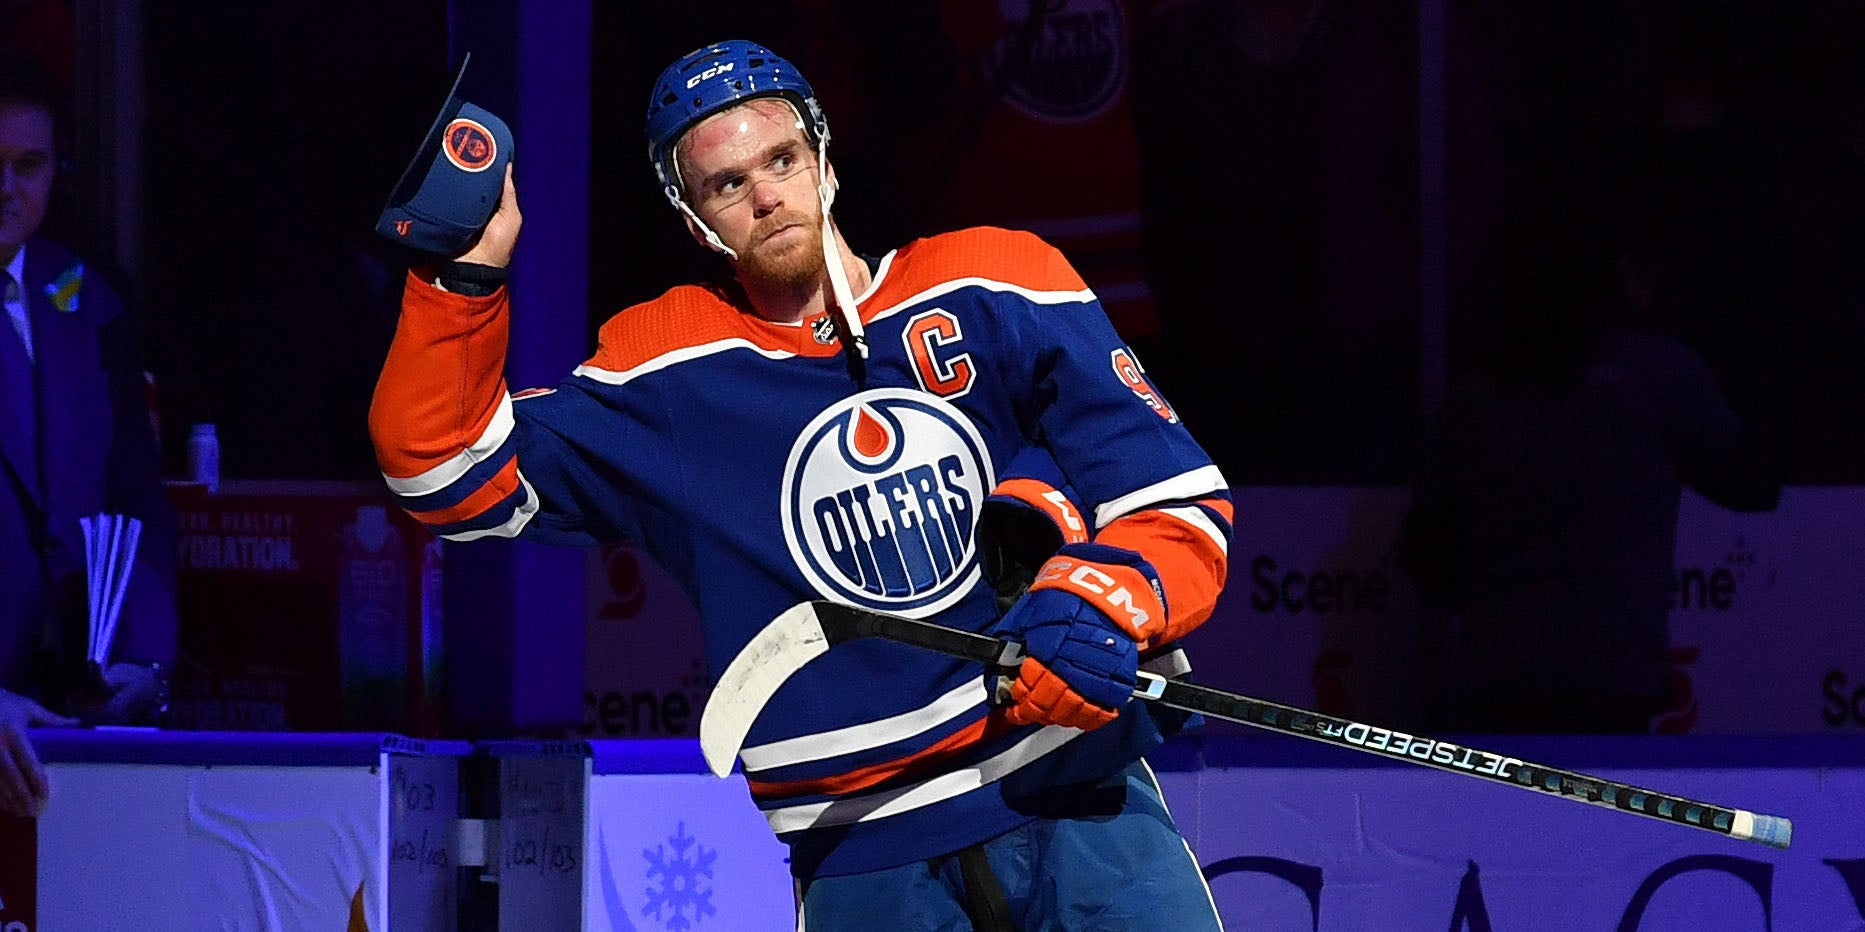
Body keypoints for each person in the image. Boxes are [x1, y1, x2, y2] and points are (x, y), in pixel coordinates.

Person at [372, 40, 1232, 931]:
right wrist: (458, 280)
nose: (766, 197)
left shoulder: (997, 280)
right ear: (693, 218)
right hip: (865, 858)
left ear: (821, 155)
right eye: (727, 183)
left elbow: (1172, 494)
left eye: (781, 160)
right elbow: (444, 473)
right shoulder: (667, 372)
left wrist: (1105, 607)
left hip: (1080, 799)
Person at [1396, 213, 1780, 734]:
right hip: (1615, 675)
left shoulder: (1479, 386)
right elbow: (1755, 483)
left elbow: (1422, 549)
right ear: (1624, 278)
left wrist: (1503, 602)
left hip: (1498, 676)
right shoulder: (1657, 371)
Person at [0, 52, 176, 818]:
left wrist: (146, 661)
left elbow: (136, 500)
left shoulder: (85, 297)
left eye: (27, 165)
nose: (6, 188)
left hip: (72, 735)